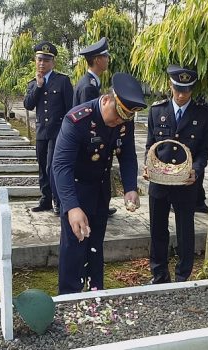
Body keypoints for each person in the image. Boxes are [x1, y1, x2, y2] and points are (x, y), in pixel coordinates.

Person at [53, 72, 146, 294]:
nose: (117, 123)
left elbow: (127, 155)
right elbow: (61, 166)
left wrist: (130, 188)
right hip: (74, 188)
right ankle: (69, 296)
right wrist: (72, 207)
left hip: (100, 190)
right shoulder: (77, 119)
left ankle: (95, 291)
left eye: (122, 120)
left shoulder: (124, 120)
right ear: (106, 100)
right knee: (74, 246)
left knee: (95, 244)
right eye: (115, 117)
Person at [144, 65, 208, 283]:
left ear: (192, 89)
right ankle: (159, 274)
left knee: (185, 230)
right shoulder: (157, 111)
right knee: (157, 229)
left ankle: (183, 275)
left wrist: (196, 169)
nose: (181, 94)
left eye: (186, 90)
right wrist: (147, 167)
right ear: (170, 86)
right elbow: (150, 146)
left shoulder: (204, 115)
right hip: (159, 181)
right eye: (177, 89)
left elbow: (204, 152)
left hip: (186, 183)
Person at [24, 41, 73, 215]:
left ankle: (58, 201)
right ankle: (45, 200)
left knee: (53, 167)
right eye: (39, 60)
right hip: (41, 132)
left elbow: (70, 109)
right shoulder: (33, 83)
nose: (42, 63)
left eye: (46, 60)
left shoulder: (63, 81)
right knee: (42, 167)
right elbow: (28, 105)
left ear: (53, 62)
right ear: (35, 61)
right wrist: (38, 86)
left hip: (58, 133)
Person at [73, 37, 117, 217]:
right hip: (91, 144)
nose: (108, 60)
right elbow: (90, 121)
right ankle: (98, 207)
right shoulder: (88, 87)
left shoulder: (91, 82)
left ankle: (101, 206)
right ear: (98, 59)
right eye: (105, 57)